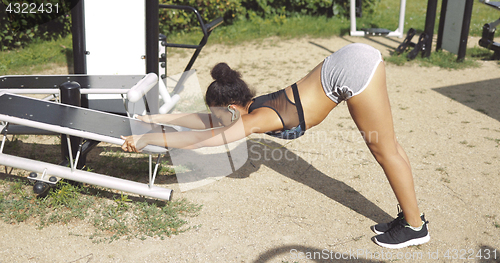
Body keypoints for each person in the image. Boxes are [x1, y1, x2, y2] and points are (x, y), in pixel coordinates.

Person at [121, 43, 430, 249]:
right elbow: (205, 122)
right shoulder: (248, 105)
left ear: (229, 108)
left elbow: (204, 137)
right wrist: (153, 118)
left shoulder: (257, 119)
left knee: (383, 149)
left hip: (353, 71)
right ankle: (410, 216)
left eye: (219, 114)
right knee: (388, 146)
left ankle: (415, 227)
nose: (217, 120)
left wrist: (149, 139)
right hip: (346, 62)